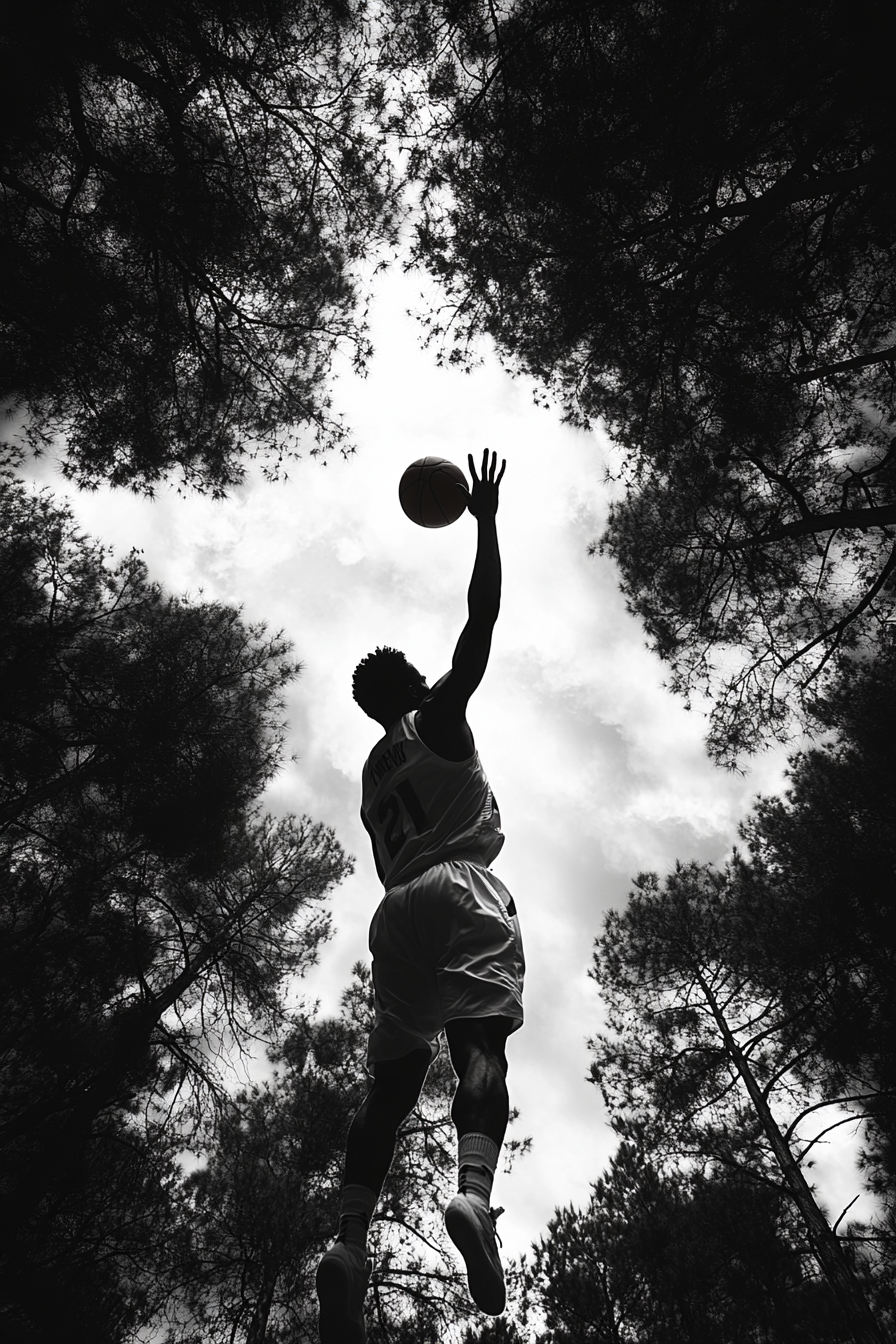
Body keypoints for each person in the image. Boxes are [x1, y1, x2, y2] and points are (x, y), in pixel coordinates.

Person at [316, 450, 525, 1344]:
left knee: (390, 1091)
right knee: (482, 1047)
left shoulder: (370, 776)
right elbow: (482, 617)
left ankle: (349, 1244)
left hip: (393, 912)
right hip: (459, 888)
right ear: (409, 686)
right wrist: (481, 521)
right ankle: (474, 1196)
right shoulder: (438, 716)